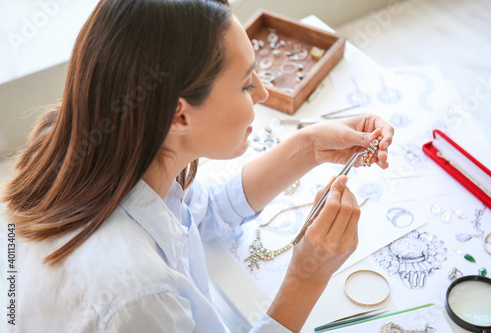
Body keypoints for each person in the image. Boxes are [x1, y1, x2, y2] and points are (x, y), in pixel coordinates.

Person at [1, 0, 394, 332]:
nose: (264, 91)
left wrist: (308, 147)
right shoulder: (138, 295)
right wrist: (308, 276)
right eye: (245, 84)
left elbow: (194, 213)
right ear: (179, 116)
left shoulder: (98, 145)